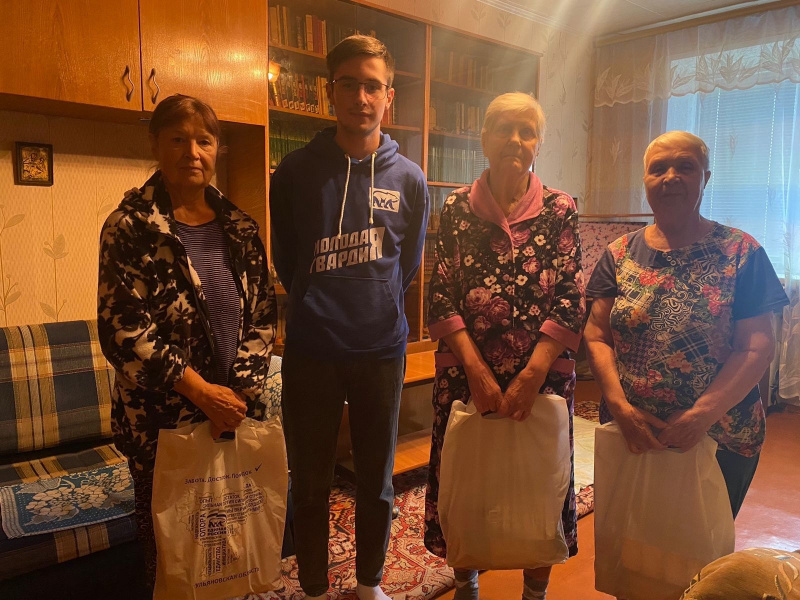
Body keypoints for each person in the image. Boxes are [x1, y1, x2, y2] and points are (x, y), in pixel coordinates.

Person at [269, 35, 429, 600]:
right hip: (311, 350)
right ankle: (314, 586)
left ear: (389, 95)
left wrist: (374, 303)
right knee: (310, 480)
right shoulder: (294, 172)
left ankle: (369, 583)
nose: (361, 97)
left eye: (372, 86)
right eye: (349, 84)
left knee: (376, 480)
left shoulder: (410, 178)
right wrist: (318, 300)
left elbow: (407, 265)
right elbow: (287, 259)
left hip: (380, 351)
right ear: (329, 91)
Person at [97, 94, 277, 587]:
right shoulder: (129, 227)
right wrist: (203, 393)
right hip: (161, 425)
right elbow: (124, 332)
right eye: (178, 139)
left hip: (234, 414)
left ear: (217, 149)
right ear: (155, 145)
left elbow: (263, 318)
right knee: (172, 557)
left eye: (204, 140)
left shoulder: (241, 228)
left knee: (233, 544)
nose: (192, 152)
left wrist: (235, 397)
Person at [424, 92, 586, 600]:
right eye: (504, 129)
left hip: (543, 377)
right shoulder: (456, 207)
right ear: (484, 138)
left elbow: (571, 295)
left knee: (539, 486)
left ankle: (534, 594)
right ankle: (467, 585)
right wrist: (476, 371)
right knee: (467, 484)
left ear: (538, 142)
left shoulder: (560, 208)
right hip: (465, 375)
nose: (515, 140)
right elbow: (441, 291)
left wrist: (532, 376)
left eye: (526, 131)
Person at [584, 131, 789, 519]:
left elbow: (757, 347)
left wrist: (701, 415)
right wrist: (620, 407)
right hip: (631, 432)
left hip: (720, 436)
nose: (671, 177)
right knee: (635, 541)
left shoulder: (742, 253)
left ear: (706, 178)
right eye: (658, 168)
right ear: (645, 180)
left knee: (701, 546)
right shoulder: (617, 255)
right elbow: (596, 336)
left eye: (685, 166)